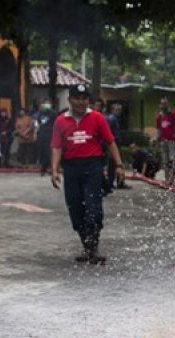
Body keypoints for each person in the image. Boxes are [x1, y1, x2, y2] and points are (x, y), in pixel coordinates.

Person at [50, 84, 124, 265]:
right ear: (70, 100)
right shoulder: (60, 121)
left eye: (84, 98)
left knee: (93, 209)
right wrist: (54, 170)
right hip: (71, 169)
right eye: (77, 98)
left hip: (93, 167)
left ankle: (93, 250)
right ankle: (87, 247)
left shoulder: (97, 118)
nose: (81, 102)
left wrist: (120, 165)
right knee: (75, 210)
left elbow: (110, 142)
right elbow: (57, 147)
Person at [105, 103, 129, 189]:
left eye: (120, 110)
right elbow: (108, 133)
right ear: (112, 110)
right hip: (113, 143)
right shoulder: (111, 119)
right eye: (117, 110)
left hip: (116, 142)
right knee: (113, 164)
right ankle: (113, 183)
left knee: (116, 163)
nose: (119, 112)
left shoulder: (115, 119)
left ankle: (118, 182)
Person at [154, 97, 175, 170]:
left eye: (165, 104)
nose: (163, 106)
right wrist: (157, 141)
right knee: (165, 161)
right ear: (160, 105)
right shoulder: (159, 116)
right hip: (163, 141)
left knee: (172, 160)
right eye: (162, 104)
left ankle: (173, 178)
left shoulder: (174, 114)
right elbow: (158, 130)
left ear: (168, 104)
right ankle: (167, 179)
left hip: (172, 140)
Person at [35, 99, 56, 176]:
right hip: (42, 135)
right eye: (45, 103)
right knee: (43, 152)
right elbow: (38, 124)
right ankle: (43, 168)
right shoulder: (40, 114)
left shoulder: (53, 113)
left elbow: (56, 124)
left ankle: (51, 168)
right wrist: (36, 134)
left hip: (50, 134)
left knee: (49, 152)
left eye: (48, 103)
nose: (47, 105)